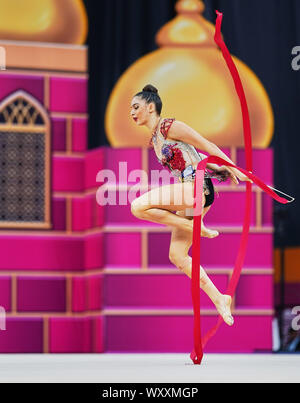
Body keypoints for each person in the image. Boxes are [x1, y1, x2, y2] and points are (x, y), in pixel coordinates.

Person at [130, 84, 252, 326]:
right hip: (191, 191)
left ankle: (199, 228)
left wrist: (233, 167)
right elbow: (193, 156)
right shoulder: (155, 137)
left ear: (151, 107)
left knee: (137, 206)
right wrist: (219, 169)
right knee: (177, 255)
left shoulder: (168, 126)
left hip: (196, 189)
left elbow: (207, 146)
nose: (132, 112)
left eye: (136, 107)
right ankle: (220, 299)